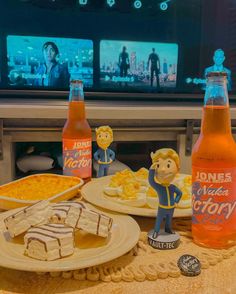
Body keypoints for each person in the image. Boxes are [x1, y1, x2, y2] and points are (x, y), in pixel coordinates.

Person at [148, 148, 182, 238]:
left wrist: (176, 201)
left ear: (177, 169)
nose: (163, 170)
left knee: (169, 220)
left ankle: (168, 229)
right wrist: (151, 169)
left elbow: (180, 193)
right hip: (162, 208)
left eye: (168, 165)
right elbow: (151, 181)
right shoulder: (159, 187)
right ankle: (156, 231)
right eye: (159, 166)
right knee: (158, 220)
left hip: (171, 207)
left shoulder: (173, 187)